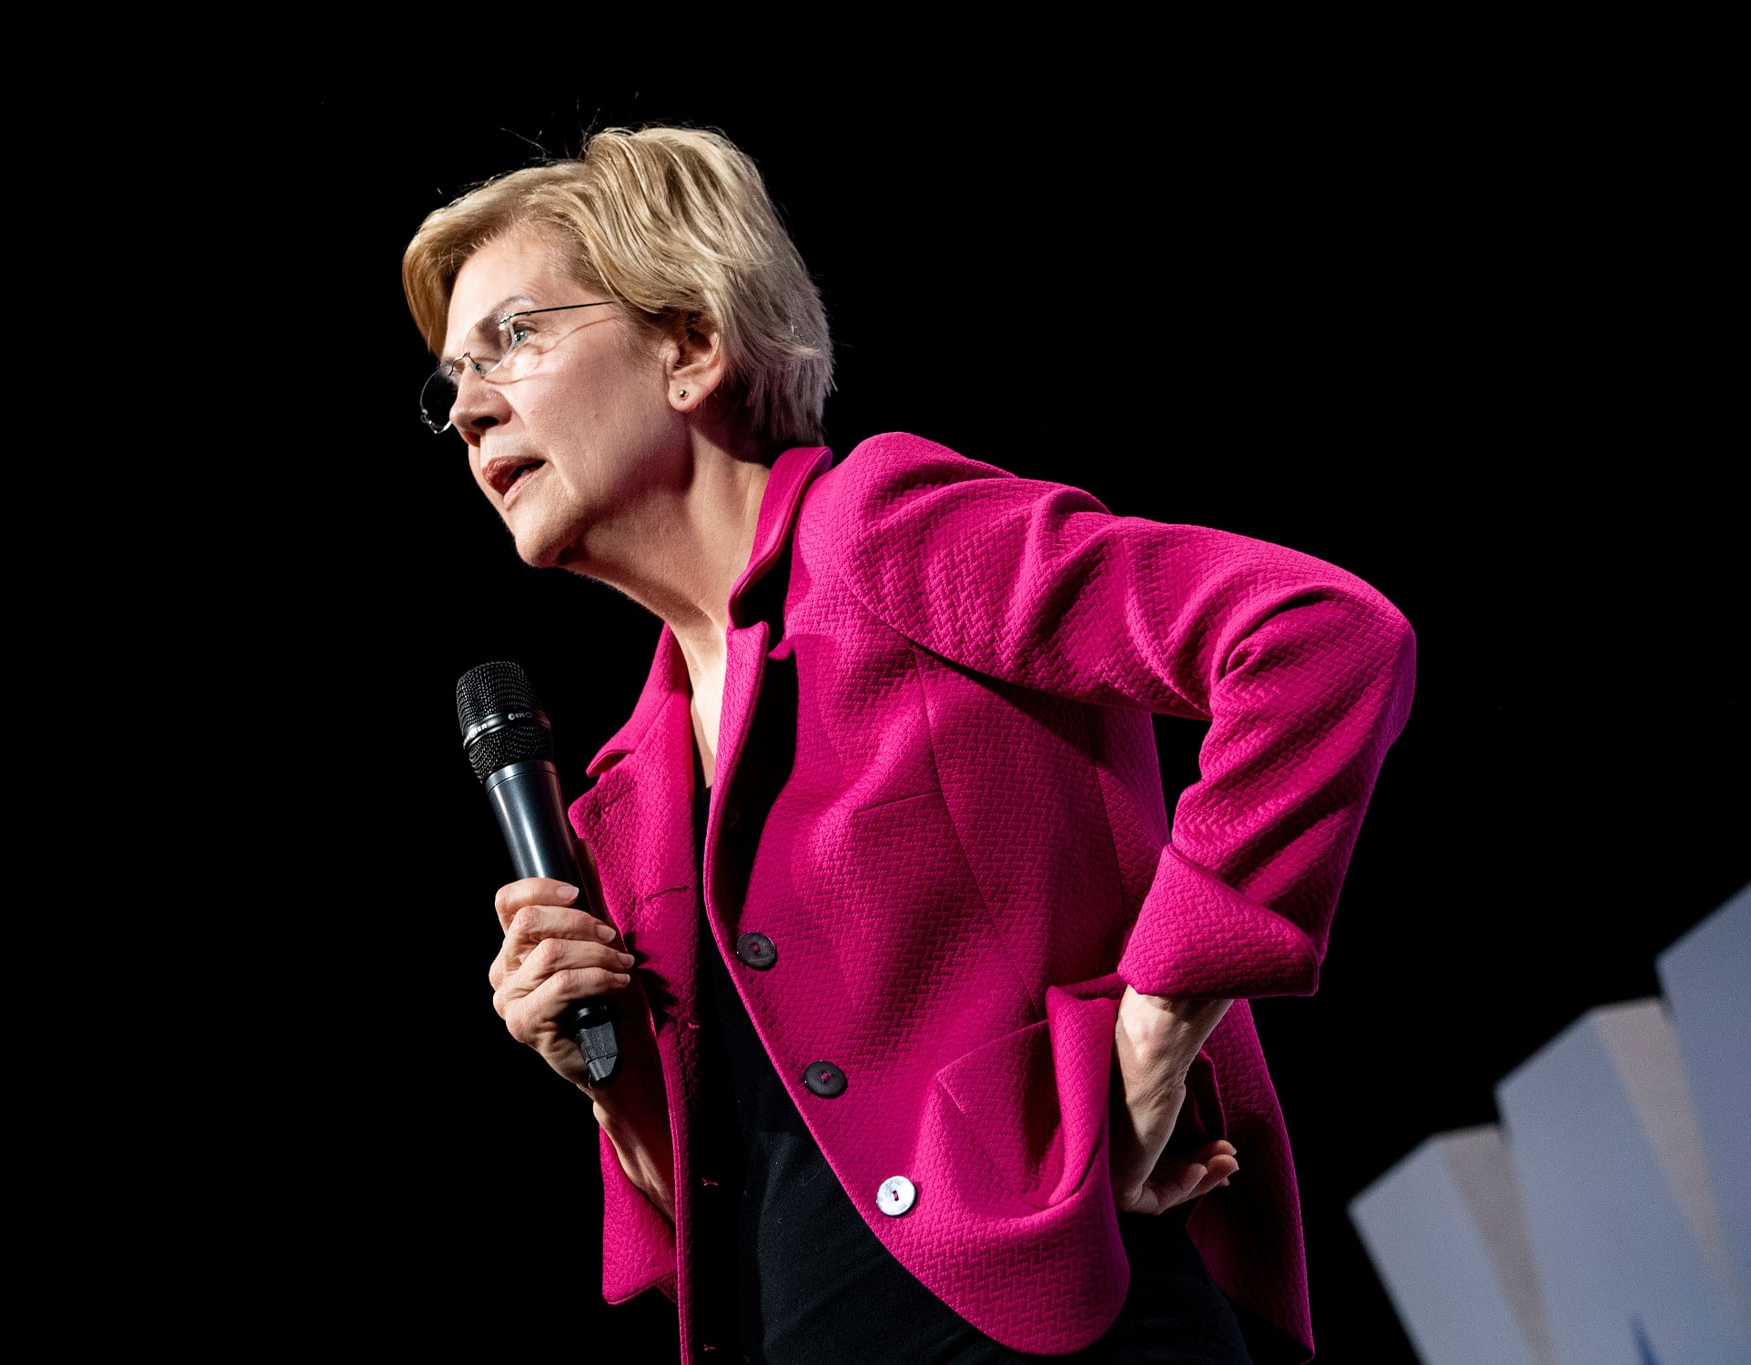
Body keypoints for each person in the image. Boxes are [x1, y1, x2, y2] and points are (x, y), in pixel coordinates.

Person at [403, 126, 1415, 1364]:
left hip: (1052, 1331)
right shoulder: (621, 790)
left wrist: (1158, 1020)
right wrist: (600, 1074)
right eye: (449, 377)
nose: (466, 407)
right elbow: (756, 1186)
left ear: (688, 344)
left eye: (513, 337)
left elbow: (1314, 639)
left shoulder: (879, 536)